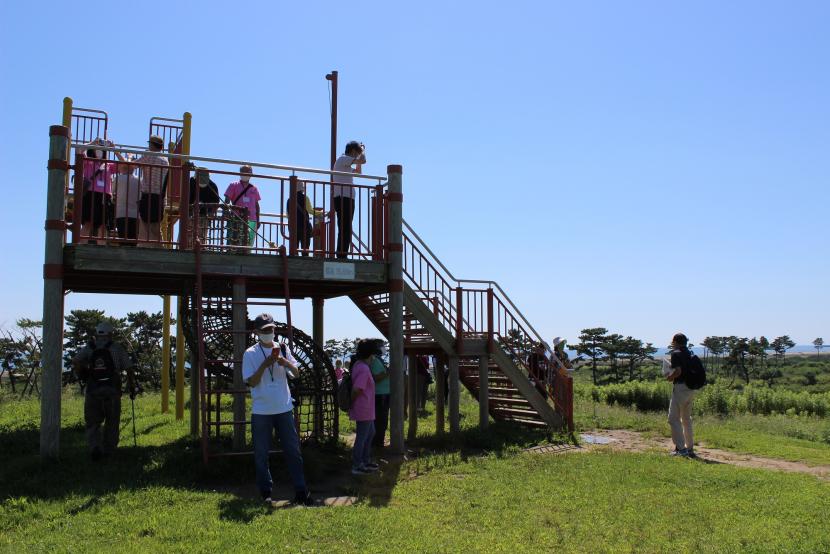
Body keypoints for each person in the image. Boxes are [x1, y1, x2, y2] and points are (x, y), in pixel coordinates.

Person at [242, 313, 313, 505]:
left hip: (284, 408)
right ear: (257, 332)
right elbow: (252, 382)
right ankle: (265, 493)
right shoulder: (250, 354)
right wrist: (265, 365)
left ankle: (301, 491)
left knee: (293, 451)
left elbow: (296, 373)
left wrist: (285, 362)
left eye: (271, 329)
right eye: (265, 330)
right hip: (261, 411)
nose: (269, 333)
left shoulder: (283, 348)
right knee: (261, 454)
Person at [72, 321, 137, 460]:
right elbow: (129, 368)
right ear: (111, 334)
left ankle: (95, 447)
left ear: (97, 333)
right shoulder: (117, 348)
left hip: (93, 389)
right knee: (112, 422)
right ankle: (109, 450)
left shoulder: (89, 347)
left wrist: (83, 375)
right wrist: (131, 386)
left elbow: (76, 361)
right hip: (112, 390)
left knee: (93, 422)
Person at [118, 135, 168, 246]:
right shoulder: (165, 160)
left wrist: (130, 157)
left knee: (144, 225)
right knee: (156, 226)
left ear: (151, 144)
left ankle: (144, 249)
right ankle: (161, 249)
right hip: (160, 197)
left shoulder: (148, 155)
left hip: (148, 195)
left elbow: (131, 166)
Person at [331, 141, 366, 258]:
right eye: (357, 153)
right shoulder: (343, 159)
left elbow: (359, 171)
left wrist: (359, 154)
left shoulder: (344, 164)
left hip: (346, 198)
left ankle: (342, 252)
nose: (357, 156)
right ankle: (341, 254)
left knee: (346, 227)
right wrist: (363, 151)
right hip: (343, 198)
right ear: (352, 151)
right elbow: (363, 160)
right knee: (345, 227)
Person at [665, 332, 697, 458]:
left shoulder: (676, 354)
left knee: (673, 418)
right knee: (686, 419)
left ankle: (680, 449)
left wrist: (669, 377)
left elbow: (678, 371)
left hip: (680, 388)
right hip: (691, 388)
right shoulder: (690, 354)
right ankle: (689, 448)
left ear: (675, 342)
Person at [79, 139, 117, 243]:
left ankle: (101, 248)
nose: (99, 151)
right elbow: (79, 151)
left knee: (103, 225)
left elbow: (124, 165)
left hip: (105, 196)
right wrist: (92, 143)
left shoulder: (108, 165)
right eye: (97, 148)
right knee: (87, 222)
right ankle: (81, 245)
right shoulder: (88, 162)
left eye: (101, 148)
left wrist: (114, 149)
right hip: (91, 194)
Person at [350, 339, 378, 475]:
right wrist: (352, 402)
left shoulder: (358, 364)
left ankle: (365, 460)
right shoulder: (364, 368)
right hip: (363, 408)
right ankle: (357, 464)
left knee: (370, 433)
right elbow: (357, 389)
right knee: (362, 437)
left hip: (367, 408)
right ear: (370, 354)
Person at [224, 165, 261, 251]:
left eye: (248, 172)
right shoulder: (233, 185)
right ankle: (232, 252)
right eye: (244, 172)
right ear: (240, 173)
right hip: (236, 217)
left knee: (248, 240)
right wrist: (227, 212)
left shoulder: (254, 188)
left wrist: (258, 220)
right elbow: (227, 200)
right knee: (234, 238)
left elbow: (257, 205)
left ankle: (246, 253)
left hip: (251, 219)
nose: (246, 174)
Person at [287, 181, 324, 254]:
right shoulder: (305, 197)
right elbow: (310, 211)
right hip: (304, 226)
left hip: (293, 227)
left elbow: (288, 215)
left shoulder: (289, 200)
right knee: (305, 249)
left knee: (294, 250)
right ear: (302, 189)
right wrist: (321, 213)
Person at [188, 166, 220, 243]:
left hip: (204, 215)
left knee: (201, 237)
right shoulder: (191, 182)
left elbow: (216, 203)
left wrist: (211, 213)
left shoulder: (212, 186)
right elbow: (186, 197)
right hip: (190, 214)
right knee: (188, 235)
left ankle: (200, 249)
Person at [113, 159, 140, 244]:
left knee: (122, 240)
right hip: (135, 214)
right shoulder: (139, 180)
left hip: (121, 213)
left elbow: (112, 192)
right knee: (133, 241)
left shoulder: (117, 179)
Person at [369, 339, 390, 448]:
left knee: (382, 420)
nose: (384, 348)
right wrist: (387, 373)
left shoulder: (378, 360)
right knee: (380, 420)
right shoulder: (375, 360)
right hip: (380, 395)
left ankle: (378, 442)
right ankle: (377, 443)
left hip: (383, 394)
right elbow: (375, 378)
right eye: (382, 346)